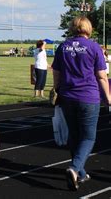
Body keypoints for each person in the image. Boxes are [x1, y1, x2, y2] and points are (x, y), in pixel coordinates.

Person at [52, 16, 110, 191]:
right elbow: (101, 75)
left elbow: (56, 71)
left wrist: (57, 89)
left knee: (74, 135)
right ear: (88, 28)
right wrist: (108, 96)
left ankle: (81, 173)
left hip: (68, 96)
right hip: (88, 96)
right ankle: (75, 168)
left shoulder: (63, 47)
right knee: (88, 137)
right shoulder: (93, 47)